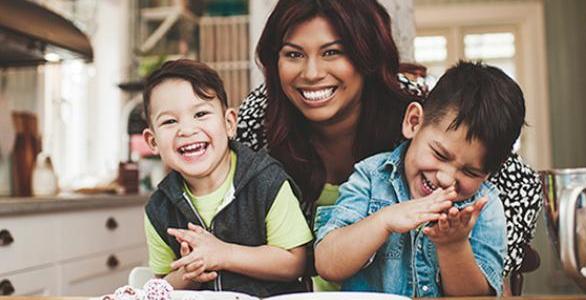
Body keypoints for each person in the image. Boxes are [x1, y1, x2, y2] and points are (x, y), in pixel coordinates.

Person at [235, 0, 542, 292]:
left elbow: (522, 183)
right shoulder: (263, 114)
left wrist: (461, 246)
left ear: (366, 56)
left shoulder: (412, 104)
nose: (312, 73)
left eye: (332, 52)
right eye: (293, 54)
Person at [314, 61, 525, 297]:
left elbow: (477, 298)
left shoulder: (484, 206)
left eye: (470, 172)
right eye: (439, 154)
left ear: (489, 173)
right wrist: (383, 221)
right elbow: (327, 264)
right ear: (414, 122)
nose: (446, 179)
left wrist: (453, 247)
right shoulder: (372, 178)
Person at [141, 59, 313, 298]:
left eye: (201, 114)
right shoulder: (159, 209)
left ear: (229, 123)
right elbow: (164, 284)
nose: (187, 130)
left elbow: (295, 262)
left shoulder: (267, 182)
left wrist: (224, 254)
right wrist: (189, 271)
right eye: (170, 121)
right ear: (153, 142)